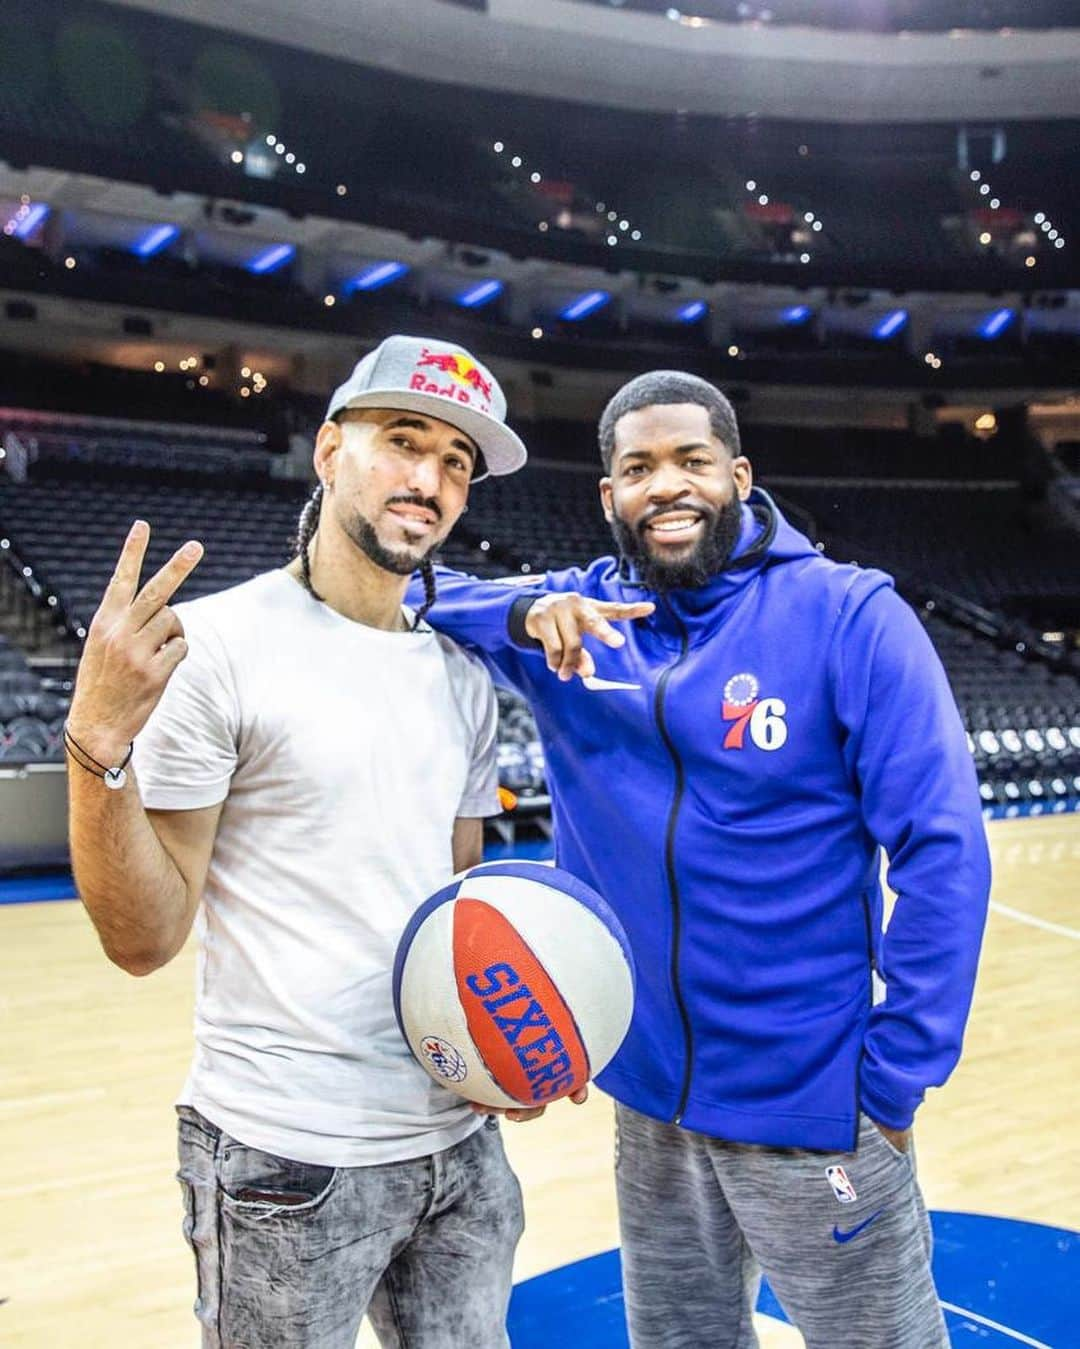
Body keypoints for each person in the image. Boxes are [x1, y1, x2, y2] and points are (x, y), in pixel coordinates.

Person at [409, 369, 992, 1349]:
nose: (666, 485)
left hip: (811, 1097)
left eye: (691, 460)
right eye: (638, 467)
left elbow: (942, 849)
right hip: (649, 1102)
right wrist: (514, 614)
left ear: (739, 472)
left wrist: (895, 1076)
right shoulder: (572, 622)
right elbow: (404, 583)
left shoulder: (848, 617)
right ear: (609, 496)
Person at [65, 335, 543, 1349]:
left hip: (461, 1146)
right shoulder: (219, 648)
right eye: (404, 440)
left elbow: (454, 913)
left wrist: (514, 1047)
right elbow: (142, 937)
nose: (430, 478)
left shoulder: (462, 680)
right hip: (288, 1160)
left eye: (457, 462)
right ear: (330, 451)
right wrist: (97, 745)